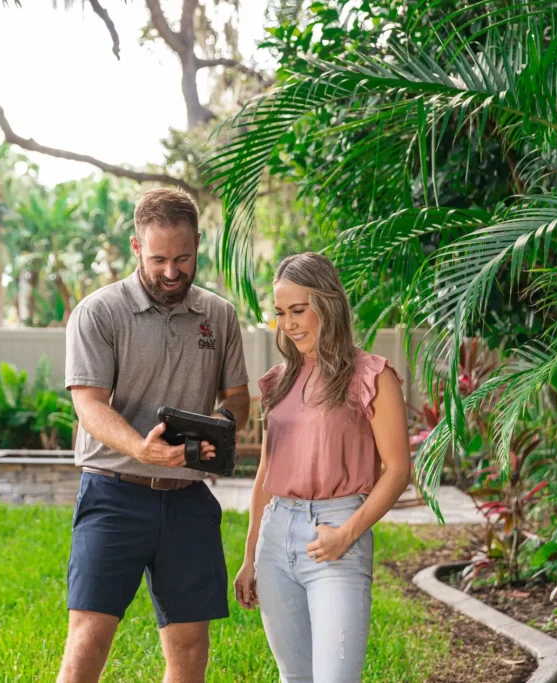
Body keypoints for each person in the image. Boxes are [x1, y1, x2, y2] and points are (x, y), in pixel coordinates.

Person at [58, 188, 251, 683]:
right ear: (136, 247)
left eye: (183, 258)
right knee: (89, 638)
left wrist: (222, 429)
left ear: (199, 245)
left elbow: (237, 400)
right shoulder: (99, 313)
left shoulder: (219, 316)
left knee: (190, 647)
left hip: (188, 498)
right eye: (159, 258)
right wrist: (141, 447)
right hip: (114, 494)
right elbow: (89, 406)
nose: (171, 271)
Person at [233, 252, 411, 683]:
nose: (289, 324)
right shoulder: (280, 381)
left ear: (328, 304)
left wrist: (347, 533)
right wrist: (250, 555)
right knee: (294, 677)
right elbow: (266, 474)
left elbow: (399, 469)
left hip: (337, 534)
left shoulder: (371, 375)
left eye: (298, 310)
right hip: (276, 540)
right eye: (280, 313)